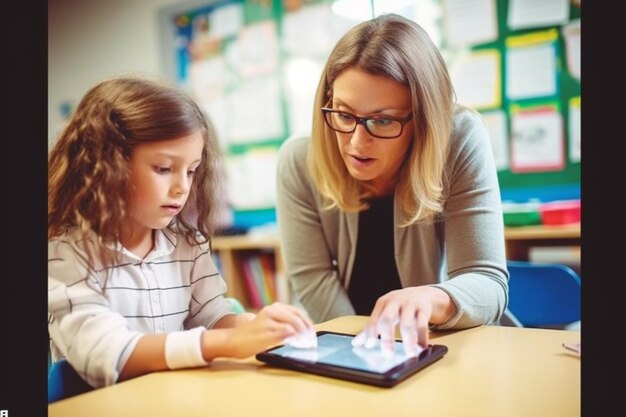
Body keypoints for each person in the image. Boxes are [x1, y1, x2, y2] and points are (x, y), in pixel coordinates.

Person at [48, 76, 315, 390]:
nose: (183, 187)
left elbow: (213, 315)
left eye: (191, 170)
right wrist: (226, 342)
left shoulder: (188, 245)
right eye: (163, 168)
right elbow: (106, 355)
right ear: (106, 166)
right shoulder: (65, 255)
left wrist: (258, 327)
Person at [275, 14, 508, 357]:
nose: (356, 142)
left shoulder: (458, 139)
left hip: (448, 346)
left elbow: (487, 282)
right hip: (348, 345)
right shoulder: (299, 159)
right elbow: (313, 279)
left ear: (423, 118)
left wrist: (433, 298)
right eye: (343, 114)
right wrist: (367, 349)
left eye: (382, 120)